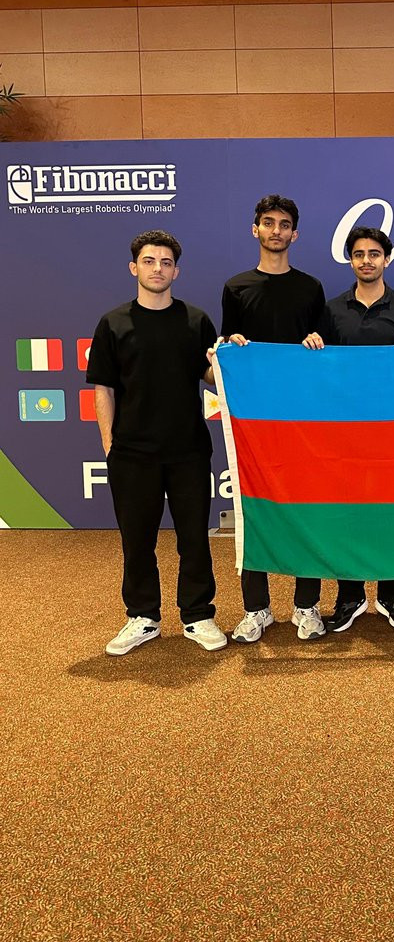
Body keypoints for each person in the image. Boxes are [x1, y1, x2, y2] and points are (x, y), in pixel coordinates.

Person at [87, 230, 226, 656]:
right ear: (135, 267)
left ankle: (198, 615)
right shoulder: (113, 323)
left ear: (176, 272)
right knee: (137, 541)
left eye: (166, 263)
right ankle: (143, 616)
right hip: (132, 454)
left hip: (188, 450)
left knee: (194, 539)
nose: (158, 269)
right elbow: (103, 389)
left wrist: (220, 363)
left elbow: (209, 379)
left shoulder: (196, 321)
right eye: (149, 261)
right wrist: (111, 447)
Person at [302, 226, 394, 632]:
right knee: (347, 512)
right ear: (350, 260)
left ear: (386, 259)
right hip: (345, 430)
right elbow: (321, 370)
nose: (366, 261)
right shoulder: (333, 309)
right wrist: (313, 346)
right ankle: (350, 595)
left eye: (374, 254)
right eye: (359, 254)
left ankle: (392, 594)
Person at [220, 194, 327, 643]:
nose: (276, 230)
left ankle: (307, 605)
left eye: (284, 224)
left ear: (294, 234)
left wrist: (317, 343)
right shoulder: (236, 287)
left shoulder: (311, 288)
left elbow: (325, 354)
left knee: (307, 509)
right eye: (268, 222)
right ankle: (256, 609)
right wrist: (233, 345)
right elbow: (225, 350)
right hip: (254, 423)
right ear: (256, 229)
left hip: (303, 419)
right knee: (255, 510)